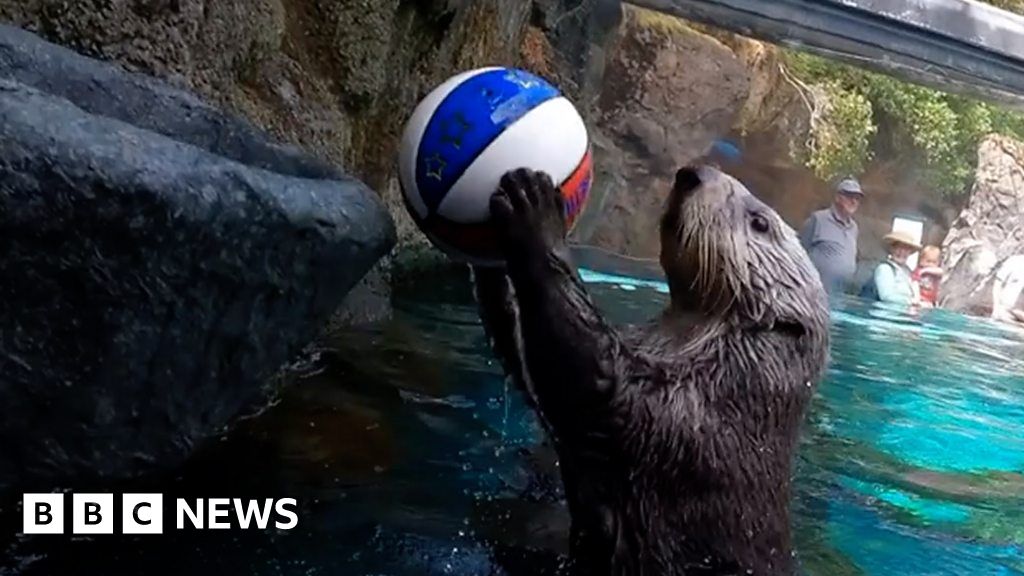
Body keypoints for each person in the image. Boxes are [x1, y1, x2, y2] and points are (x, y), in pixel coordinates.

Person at [799, 177, 864, 295]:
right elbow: (798, 253)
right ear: (838, 197)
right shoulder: (818, 219)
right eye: (849, 196)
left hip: (841, 296)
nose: (854, 201)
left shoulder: (854, 228)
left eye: (857, 198)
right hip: (814, 294)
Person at [866, 230, 921, 305]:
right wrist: (911, 302)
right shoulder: (884, 268)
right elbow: (886, 296)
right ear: (891, 249)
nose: (902, 252)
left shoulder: (907, 272)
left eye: (906, 249)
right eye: (898, 248)